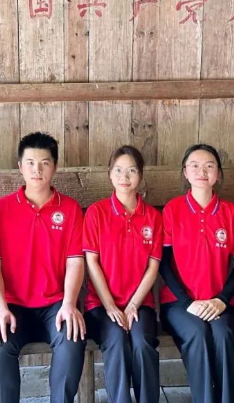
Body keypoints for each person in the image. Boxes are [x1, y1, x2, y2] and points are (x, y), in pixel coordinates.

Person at [0, 132, 86, 403]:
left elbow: (75, 262)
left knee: (72, 338)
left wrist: (69, 303)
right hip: (13, 305)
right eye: (30, 162)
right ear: (20, 166)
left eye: (44, 162)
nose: (37, 170)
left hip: (56, 304)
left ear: (55, 166)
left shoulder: (70, 209)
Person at [159, 143, 234, 403]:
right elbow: (163, 263)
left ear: (218, 174)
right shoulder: (172, 210)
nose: (202, 171)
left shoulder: (231, 213)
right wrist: (188, 302)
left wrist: (221, 299)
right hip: (178, 303)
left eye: (209, 166)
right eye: (195, 166)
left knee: (222, 334)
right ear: (185, 172)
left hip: (220, 302)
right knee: (197, 334)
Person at [83, 145, 162, 403]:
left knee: (142, 343)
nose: (124, 177)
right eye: (118, 170)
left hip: (140, 304)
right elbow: (91, 262)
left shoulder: (153, 217)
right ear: (109, 174)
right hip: (101, 305)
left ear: (141, 175)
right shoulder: (97, 212)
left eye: (131, 171)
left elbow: (153, 267)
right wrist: (110, 306)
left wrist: (133, 305)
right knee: (116, 340)